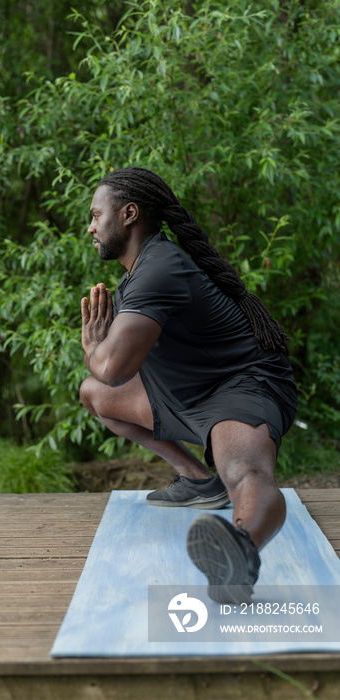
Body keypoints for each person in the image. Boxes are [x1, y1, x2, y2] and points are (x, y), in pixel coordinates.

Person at [79, 166, 298, 604]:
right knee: (94, 394)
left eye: (96, 215)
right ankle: (198, 480)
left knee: (246, 473)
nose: (90, 227)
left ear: (128, 214)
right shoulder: (137, 276)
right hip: (188, 393)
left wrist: (93, 346)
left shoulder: (159, 269)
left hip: (242, 386)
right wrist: (99, 356)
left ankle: (240, 552)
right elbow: (109, 376)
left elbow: (114, 365)